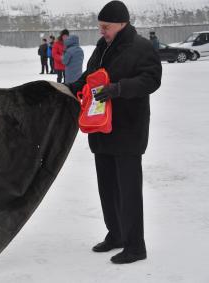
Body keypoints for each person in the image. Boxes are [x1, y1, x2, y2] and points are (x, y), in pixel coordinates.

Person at [68, 0, 162, 264]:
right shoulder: (101, 47)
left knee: (128, 191)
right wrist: (68, 88)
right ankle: (116, 234)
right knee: (107, 188)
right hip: (101, 128)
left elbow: (152, 79)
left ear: (122, 23)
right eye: (100, 27)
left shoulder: (141, 47)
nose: (102, 31)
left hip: (128, 130)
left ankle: (135, 246)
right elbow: (90, 76)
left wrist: (119, 88)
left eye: (105, 27)